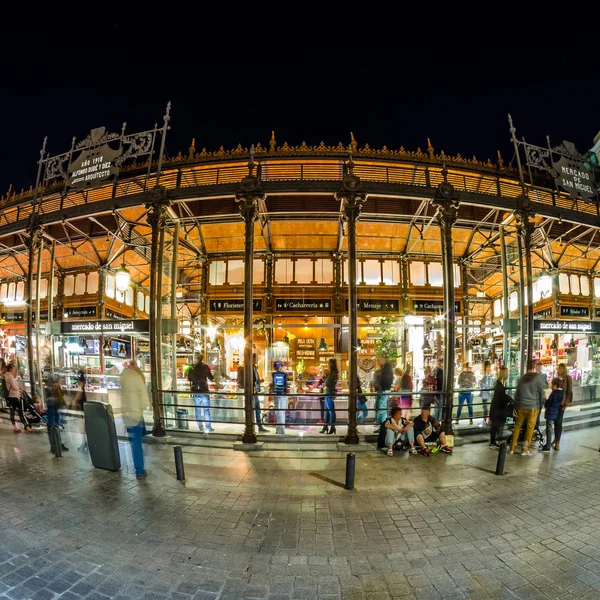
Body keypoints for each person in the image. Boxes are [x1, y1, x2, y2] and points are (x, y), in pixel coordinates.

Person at [508, 360, 545, 456]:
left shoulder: (521, 378)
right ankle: (524, 450)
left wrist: (516, 406)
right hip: (533, 407)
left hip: (521, 406)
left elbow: (516, 394)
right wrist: (541, 406)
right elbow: (541, 394)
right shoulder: (538, 378)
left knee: (517, 426)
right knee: (530, 428)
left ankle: (512, 448)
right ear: (535, 367)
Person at [120, 360, 149, 479]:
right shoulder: (137, 377)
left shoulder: (123, 376)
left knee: (133, 439)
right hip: (136, 412)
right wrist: (142, 407)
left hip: (126, 412)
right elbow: (144, 397)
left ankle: (137, 467)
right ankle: (139, 470)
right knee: (137, 441)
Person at [187, 356, 214, 433]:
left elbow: (189, 378)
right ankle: (208, 427)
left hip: (195, 391)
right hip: (204, 390)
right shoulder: (205, 367)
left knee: (198, 410)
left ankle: (200, 427)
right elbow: (211, 377)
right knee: (206, 410)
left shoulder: (191, 368)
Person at [5, 364, 32, 434]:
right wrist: (18, 387)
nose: (15, 370)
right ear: (11, 369)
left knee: (12, 413)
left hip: (11, 397)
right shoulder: (10, 377)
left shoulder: (7, 376)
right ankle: (26, 426)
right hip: (14, 397)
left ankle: (15, 427)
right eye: (14, 369)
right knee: (20, 412)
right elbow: (15, 387)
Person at [45, 372, 69, 453]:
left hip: (52, 407)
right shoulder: (55, 388)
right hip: (54, 407)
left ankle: (55, 445)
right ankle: (56, 445)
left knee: (53, 426)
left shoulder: (49, 387)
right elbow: (61, 397)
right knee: (55, 426)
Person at [489, 366, 512, 448]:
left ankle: (494, 441)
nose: (507, 374)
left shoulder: (499, 383)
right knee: (495, 426)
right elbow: (501, 396)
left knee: (496, 426)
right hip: (497, 408)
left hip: (497, 408)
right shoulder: (499, 384)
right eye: (506, 372)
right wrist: (509, 399)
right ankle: (492, 442)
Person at [553, 363, 573, 451]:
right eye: (558, 368)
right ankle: (555, 438)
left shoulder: (568, 378)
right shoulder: (557, 378)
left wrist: (565, 404)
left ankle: (558, 441)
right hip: (555, 402)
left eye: (560, 368)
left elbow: (569, 391)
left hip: (562, 403)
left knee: (559, 421)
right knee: (555, 421)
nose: (559, 370)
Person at [541, 378, 563, 453]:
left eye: (552, 384)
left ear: (555, 385)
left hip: (550, 412)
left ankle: (548, 446)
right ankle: (548, 444)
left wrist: (545, 400)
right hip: (556, 412)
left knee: (549, 429)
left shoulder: (553, 394)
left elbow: (548, 404)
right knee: (550, 428)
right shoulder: (561, 392)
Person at [374, 355, 394, 431]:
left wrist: (381, 387)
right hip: (383, 390)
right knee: (382, 409)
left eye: (379, 359)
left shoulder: (386, 369)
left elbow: (385, 380)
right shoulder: (387, 368)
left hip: (383, 390)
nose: (378, 361)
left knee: (382, 409)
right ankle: (382, 426)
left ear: (383, 359)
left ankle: (383, 426)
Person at [252, 353, 269, 433]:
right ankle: (255, 426)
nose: (257, 360)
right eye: (256, 358)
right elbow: (252, 380)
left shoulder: (255, 368)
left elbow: (256, 380)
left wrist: (260, 381)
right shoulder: (250, 368)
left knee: (257, 409)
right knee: (253, 409)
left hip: (255, 391)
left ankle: (260, 426)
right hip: (252, 392)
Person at [320, 358, 338, 435]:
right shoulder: (333, 373)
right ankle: (326, 427)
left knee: (331, 411)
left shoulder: (333, 373)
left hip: (329, 393)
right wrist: (324, 376)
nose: (328, 364)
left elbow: (327, 383)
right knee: (327, 411)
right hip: (328, 393)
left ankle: (332, 427)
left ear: (331, 364)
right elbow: (327, 381)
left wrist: (325, 380)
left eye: (329, 363)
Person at [73, 370, 88, 451]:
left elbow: (79, 391)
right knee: (83, 426)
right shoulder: (83, 382)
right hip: (83, 405)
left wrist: (74, 401)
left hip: (81, 406)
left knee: (81, 426)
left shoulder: (81, 383)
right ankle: (84, 442)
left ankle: (84, 442)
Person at [272, 362, 288, 435]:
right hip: (282, 395)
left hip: (278, 395)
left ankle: (279, 430)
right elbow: (285, 386)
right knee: (281, 412)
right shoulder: (284, 375)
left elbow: (275, 386)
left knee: (279, 412)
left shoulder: (274, 375)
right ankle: (281, 430)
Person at [479, 360, 494, 425]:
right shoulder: (483, 374)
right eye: (488, 366)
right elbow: (481, 383)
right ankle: (485, 420)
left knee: (489, 407)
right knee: (485, 407)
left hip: (488, 393)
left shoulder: (490, 374)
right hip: (485, 393)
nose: (489, 368)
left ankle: (488, 420)